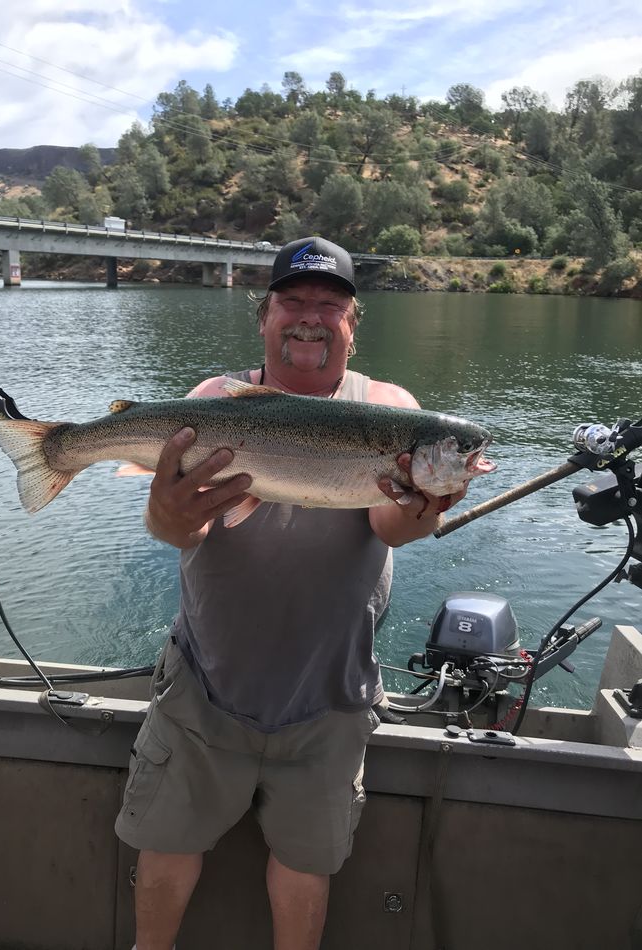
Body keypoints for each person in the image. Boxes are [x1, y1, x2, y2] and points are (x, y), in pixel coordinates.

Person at [115, 236, 468, 950]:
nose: (309, 319)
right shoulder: (212, 403)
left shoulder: (390, 410)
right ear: (264, 316)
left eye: (328, 307)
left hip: (330, 700)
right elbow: (172, 528)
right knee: (166, 848)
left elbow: (389, 527)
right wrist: (168, 511)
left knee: (305, 867)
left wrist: (426, 502)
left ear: (352, 323)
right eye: (292, 302)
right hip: (204, 687)